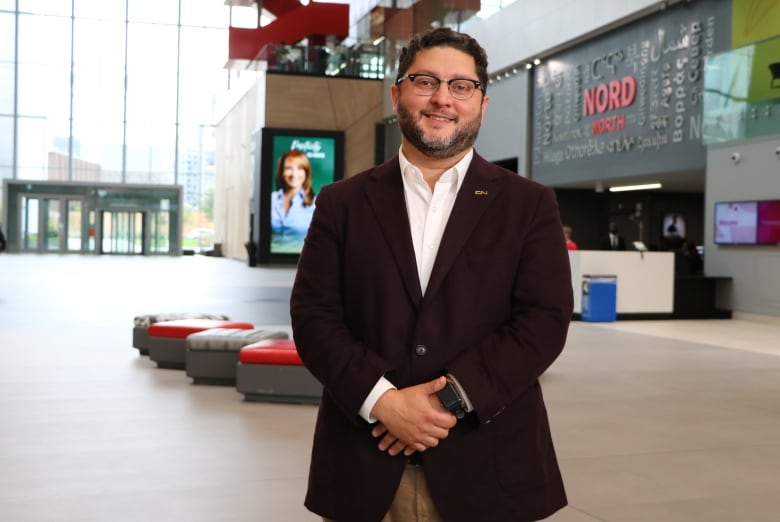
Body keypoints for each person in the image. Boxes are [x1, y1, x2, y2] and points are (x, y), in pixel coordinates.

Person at [290, 27, 573, 522]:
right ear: (397, 93)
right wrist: (383, 402)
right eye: (426, 81)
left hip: (489, 468)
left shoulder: (529, 204)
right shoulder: (342, 203)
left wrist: (448, 401)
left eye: (461, 86)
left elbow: (543, 320)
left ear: (482, 104)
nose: (442, 98)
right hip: (366, 466)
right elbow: (314, 317)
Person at [270, 149, 316, 254]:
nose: (294, 174)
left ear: (306, 172)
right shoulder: (271, 199)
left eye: (300, 168)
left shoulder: (316, 204)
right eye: (288, 168)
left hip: (301, 262)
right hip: (271, 262)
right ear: (281, 171)